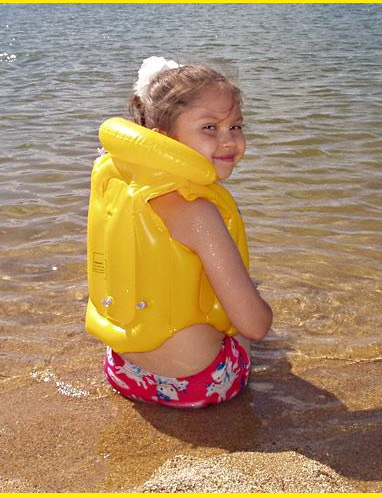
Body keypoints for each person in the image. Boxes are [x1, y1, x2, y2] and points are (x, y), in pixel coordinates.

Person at [86, 56, 272, 408]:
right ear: (163, 137)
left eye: (236, 126)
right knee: (253, 311)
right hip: (196, 383)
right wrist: (264, 312)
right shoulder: (199, 211)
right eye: (209, 128)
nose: (229, 141)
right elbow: (255, 327)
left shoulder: (122, 183)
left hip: (123, 369)